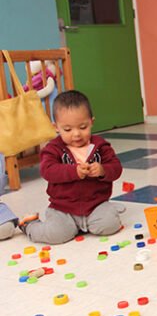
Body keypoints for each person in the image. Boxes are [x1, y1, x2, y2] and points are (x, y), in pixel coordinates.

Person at [19, 91, 124, 244]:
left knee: (110, 225)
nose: (76, 134)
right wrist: (73, 171)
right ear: (56, 127)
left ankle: (90, 221)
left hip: (96, 204)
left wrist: (102, 170)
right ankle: (29, 225)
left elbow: (116, 168)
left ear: (91, 122)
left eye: (83, 127)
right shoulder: (53, 148)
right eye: (67, 129)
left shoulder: (100, 146)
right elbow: (47, 171)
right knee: (57, 235)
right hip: (63, 208)